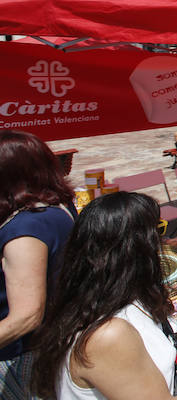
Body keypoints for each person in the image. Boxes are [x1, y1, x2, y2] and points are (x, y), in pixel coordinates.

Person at [30, 192, 177, 400]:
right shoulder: (107, 334)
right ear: (136, 248)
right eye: (158, 231)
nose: (164, 241)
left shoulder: (128, 298)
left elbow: (172, 339)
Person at [0, 131, 76, 397]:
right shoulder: (56, 207)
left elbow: (26, 315)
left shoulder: (26, 228)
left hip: (23, 356)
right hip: (52, 344)